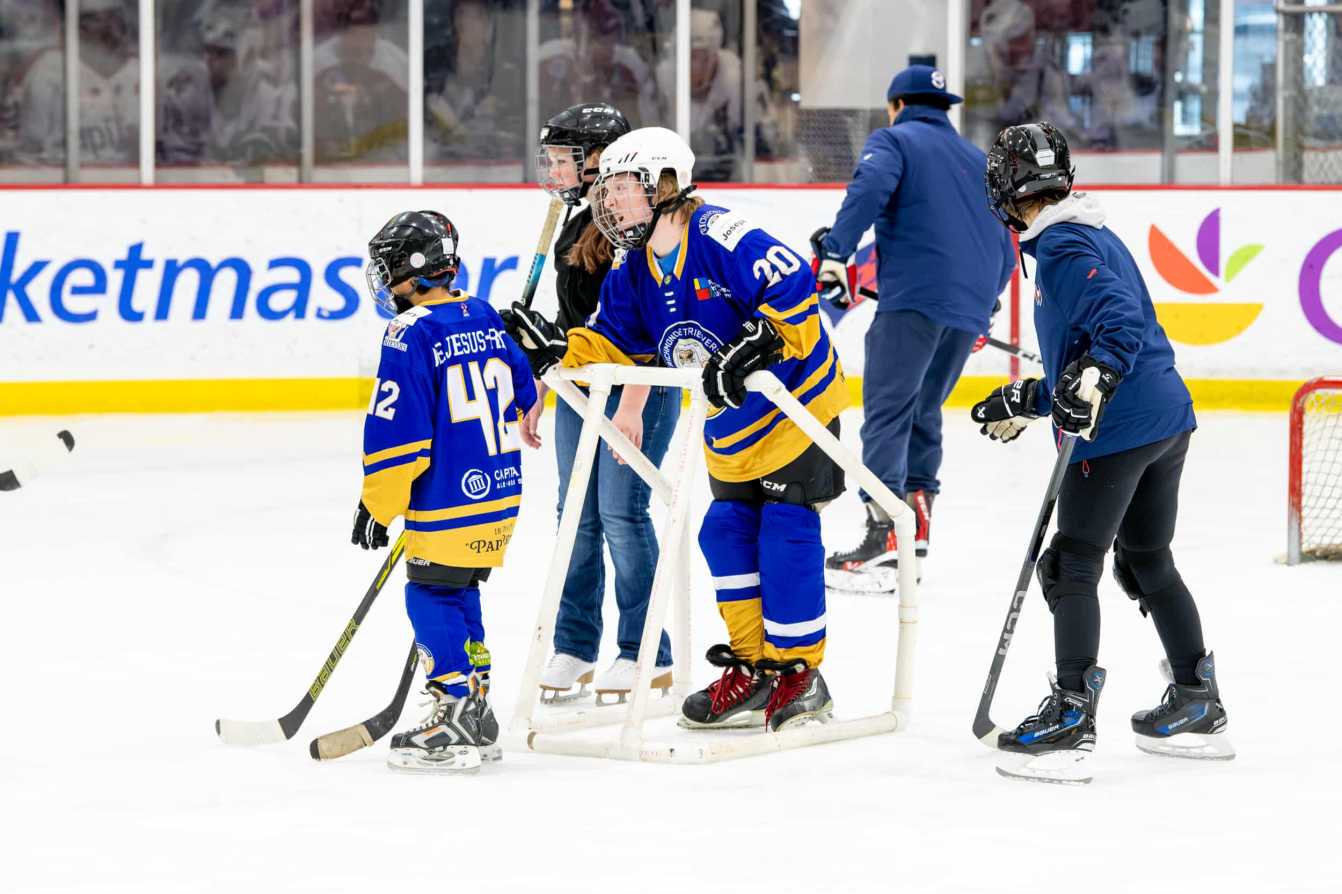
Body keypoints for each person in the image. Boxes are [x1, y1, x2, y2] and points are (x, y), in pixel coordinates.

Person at [504, 127, 849, 733]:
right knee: (725, 531)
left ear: (664, 185)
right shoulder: (635, 267)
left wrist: (758, 344)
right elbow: (615, 336)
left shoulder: (720, 234)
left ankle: (800, 673)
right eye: (605, 191)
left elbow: (793, 283)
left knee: (787, 532)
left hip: (799, 411)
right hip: (732, 426)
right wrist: (558, 350)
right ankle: (752, 669)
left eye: (621, 189)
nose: (609, 203)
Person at [976, 122, 1232, 782]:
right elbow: (1086, 356)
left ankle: (1070, 713)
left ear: (1007, 187)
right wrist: (1028, 401)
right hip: (1165, 418)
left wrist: (1094, 381)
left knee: (1071, 565)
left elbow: (1115, 328)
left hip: (1116, 433)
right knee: (1146, 559)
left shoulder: (1060, 247)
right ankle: (1197, 697)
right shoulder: (1087, 232)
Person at [812, 64, 1015, 593]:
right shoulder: (978, 159)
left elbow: (869, 189)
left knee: (887, 413)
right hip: (967, 309)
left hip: (913, 304)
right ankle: (915, 528)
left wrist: (834, 253)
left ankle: (883, 539)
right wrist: (985, 305)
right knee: (923, 412)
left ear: (897, 104)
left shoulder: (895, 140)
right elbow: (1005, 242)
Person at [354, 209, 539, 774]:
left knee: (428, 595)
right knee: (462, 595)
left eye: (388, 272)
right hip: (499, 492)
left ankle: (453, 707)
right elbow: (524, 386)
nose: (384, 284)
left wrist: (376, 504)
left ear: (414, 273)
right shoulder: (482, 312)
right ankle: (476, 706)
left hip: (446, 498)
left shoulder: (409, 331)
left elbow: (399, 432)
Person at [525, 102, 682, 705]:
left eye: (567, 156)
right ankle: (575, 644)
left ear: (600, 160)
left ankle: (645, 651)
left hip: (637, 387)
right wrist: (545, 380)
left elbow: (641, 323)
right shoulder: (577, 224)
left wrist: (632, 402)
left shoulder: (631, 226)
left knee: (621, 512)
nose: (557, 169)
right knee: (576, 516)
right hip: (582, 386)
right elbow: (576, 325)